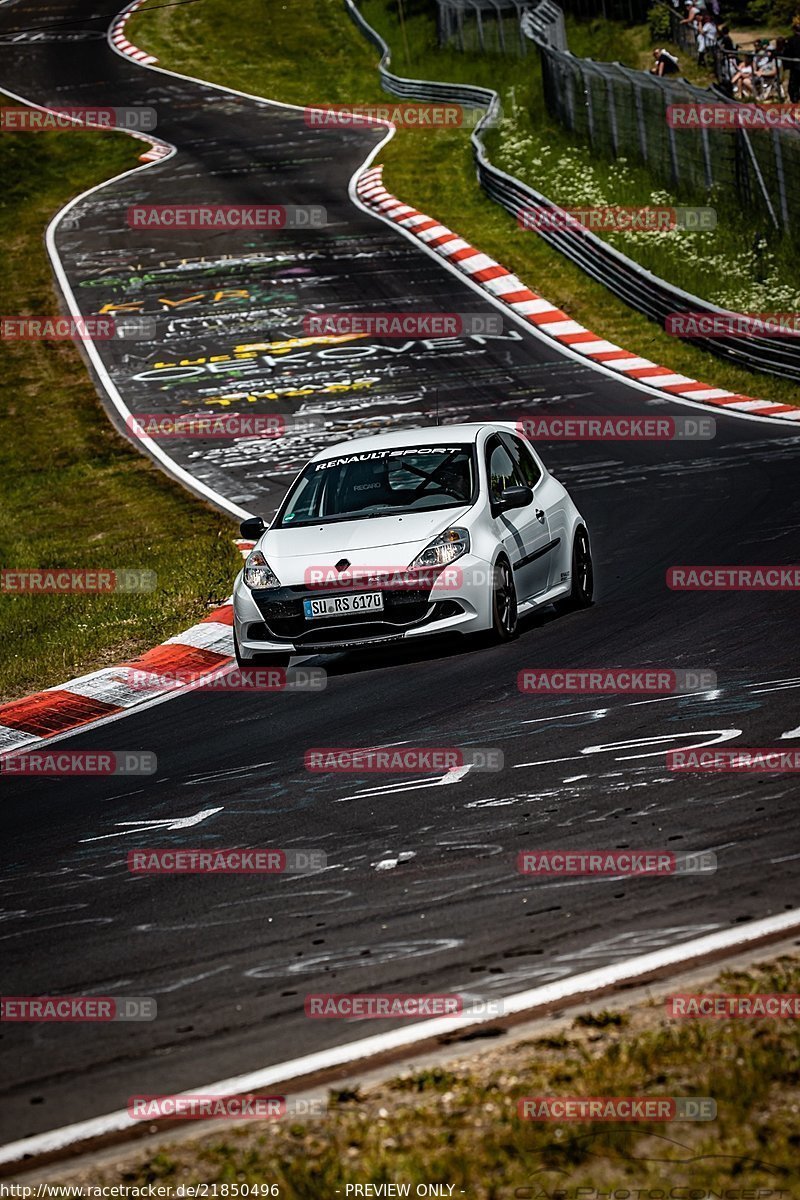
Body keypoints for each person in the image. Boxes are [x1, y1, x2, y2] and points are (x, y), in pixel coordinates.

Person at [782, 16, 800, 103]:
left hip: (796, 68)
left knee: (794, 89)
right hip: (795, 67)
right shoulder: (790, 40)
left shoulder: (791, 40)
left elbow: (786, 53)